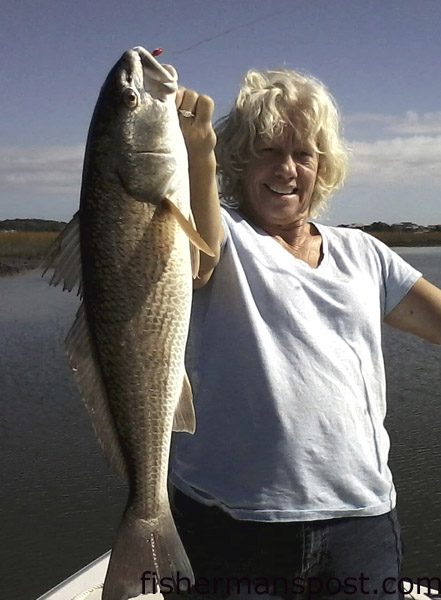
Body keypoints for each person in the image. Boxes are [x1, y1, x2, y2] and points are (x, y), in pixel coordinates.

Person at [168, 68, 441, 600]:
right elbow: (197, 261)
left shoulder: (364, 253)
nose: (286, 169)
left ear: (324, 166)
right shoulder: (225, 240)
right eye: (268, 150)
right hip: (229, 524)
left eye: (304, 154)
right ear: (240, 161)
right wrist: (197, 153)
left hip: (359, 523)